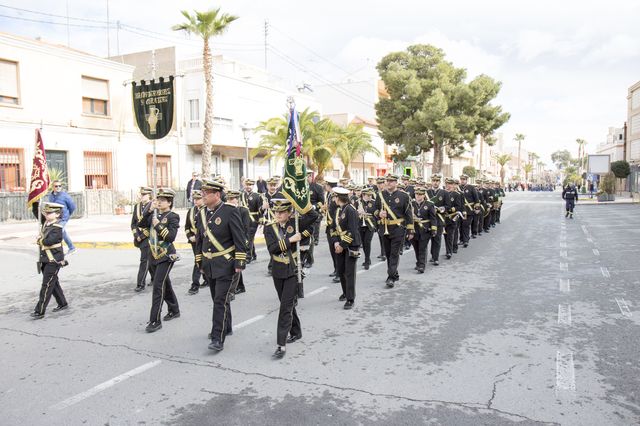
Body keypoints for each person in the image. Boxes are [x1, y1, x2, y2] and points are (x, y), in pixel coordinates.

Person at [195, 179, 247, 352]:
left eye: (206, 193)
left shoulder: (230, 211)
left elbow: (239, 238)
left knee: (219, 301)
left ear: (216, 195)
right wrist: (199, 262)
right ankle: (227, 326)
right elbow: (200, 240)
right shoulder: (201, 213)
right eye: (202, 192)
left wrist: (239, 261)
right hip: (209, 264)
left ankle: (218, 337)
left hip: (225, 263)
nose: (202, 195)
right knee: (218, 299)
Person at [263, 199, 318, 359]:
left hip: (293, 270)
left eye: (282, 212)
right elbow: (272, 249)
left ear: (289, 212)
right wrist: (290, 240)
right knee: (286, 304)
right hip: (278, 270)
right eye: (276, 212)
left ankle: (281, 344)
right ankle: (296, 331)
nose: (278, 215)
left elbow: (313, 215)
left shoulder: (296, 223)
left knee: (285, 307)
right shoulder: (269, 228)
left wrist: (299, 199)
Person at [144, 188, 181, 333]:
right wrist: (149, 210)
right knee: (165, 282)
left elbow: (171, 237)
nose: (159, 202)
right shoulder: (153, 214)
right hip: (152, 254)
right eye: (158, 199)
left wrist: (158, 225)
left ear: (169, 202)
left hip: (166, 255)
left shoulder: (173, 216)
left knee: (158, 285)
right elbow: (141, 224)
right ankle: (174, 309)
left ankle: (155, 320)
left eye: (163, 200)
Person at [31, 202, 69, 319]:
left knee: (46, 285)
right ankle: (62, 303)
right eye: (46, 212)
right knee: (53, 283)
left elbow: (49, 241)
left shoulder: (57, 228)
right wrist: (35, 202)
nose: (46, 214)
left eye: (49, 213)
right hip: (45, 259)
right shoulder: (46, 224)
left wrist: (39, 240)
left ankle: (40, 310)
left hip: (53, 260)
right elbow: (37, 213)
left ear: (57, 214)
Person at [375, 174, 414, 287]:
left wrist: (410, 230)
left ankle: (390, 276)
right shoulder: (380, 195)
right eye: (387, 181)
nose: (389, 183)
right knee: (388, 253)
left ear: (396, 182)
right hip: (385, 228)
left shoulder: (404, 196)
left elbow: (408, 214)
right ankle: (394, 273)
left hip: (398, 229)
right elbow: (375, 210)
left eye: (391, 181)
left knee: (394, 253)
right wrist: (379, 213)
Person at [331, 187, 361, 308]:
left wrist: (342, 245)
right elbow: (332, 228)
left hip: (350, 245)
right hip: (340, 244)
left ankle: (350, 299)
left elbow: (352, 231)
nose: (334, 199)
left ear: (339, 198)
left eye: (335, 197)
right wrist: (335, 243)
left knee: (349, 272)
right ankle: (345, 292)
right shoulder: (339, 210)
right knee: (341, 270)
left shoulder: (351, 210)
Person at [226, 190, 250, 295]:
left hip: (239, 241)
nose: (230, 201)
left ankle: (231, 291)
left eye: (233, 199)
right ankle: (240, 286)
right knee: (235, 266)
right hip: (229, 243)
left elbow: (245, 228)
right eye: (229, 199)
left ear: (238, 200)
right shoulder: (225, 210)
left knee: (236, 265)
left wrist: (244, 242)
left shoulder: (243, 210)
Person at [131, 187, 154, 292]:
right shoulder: (137, 206)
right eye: (141, 194)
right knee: (149, 259)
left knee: (144, 260)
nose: (142, 196)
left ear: (149, 195)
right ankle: (154, 278)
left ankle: (140, 283)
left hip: (148, 238)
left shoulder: (152, 206)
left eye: (144, 194)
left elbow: (152, 225)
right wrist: (137, 235)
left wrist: (143, 235)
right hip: (139, 237)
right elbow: (133, 223)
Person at [47, 180, 77, 255]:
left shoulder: (65, 196)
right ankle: (63, 249)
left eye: (60, 186)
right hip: (55, 218)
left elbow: (72, 206)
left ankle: (72, 248)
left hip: (63, 218)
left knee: (59, 231)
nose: (58, 187)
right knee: (61, 232)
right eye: (56, 186)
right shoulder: (51, 195)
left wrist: (67, 214)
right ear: (53, 187)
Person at [411, 187, 436, 273]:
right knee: (416, 247)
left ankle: (422, 265)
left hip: (425, 229)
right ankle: (418, 262)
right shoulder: (411, 204)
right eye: (417, 194)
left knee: (422, 247)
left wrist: (433, 229)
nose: (418, 196)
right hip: (414, 229)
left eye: (420, 194)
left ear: (424, 195)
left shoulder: (429, 204)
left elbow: (433, 218)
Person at [185, 190, 205, 295]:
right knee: (199, 260)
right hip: (194, 241)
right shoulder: (191, 211)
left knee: (200, 260)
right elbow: (187, 227)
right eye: (195, 199)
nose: (196, 201)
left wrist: (198, 237)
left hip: (204, 240)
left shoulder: (207, 210)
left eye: (198, 199)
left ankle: (196, 284)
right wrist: (190, 236)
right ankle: (199, 282)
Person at [427, 174, 449, 266]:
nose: (435, 183)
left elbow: (448, 206)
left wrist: (442, 208)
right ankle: (430, 256)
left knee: (437, 239)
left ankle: (435, 258)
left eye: (437, 181)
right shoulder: (426, 192)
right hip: (428, 220)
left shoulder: (444, 193)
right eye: (433, 181)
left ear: (439, 182)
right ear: (431, 181)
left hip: (439, 219)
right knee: (427, 239)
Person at [240, 179, 262, 263]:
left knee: (249, 237)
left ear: (253, 186)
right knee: (248, 237)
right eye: (247, 184)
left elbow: (260, 208)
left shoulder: (257, 196)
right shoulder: (241, 195)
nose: (248, 186)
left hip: (253, 219)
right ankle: (254, 254)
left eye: (250, 185)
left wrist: (260, 219)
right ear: (244, 185)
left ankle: (248, 256)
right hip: (244, 219)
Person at [357, 188, 377, 270]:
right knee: (363, 243)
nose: (370, 196)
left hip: (370, 226)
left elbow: (376, 215)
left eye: (371, 195)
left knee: (367, 242)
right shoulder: (358, 203)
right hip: (360, 225)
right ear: (363, 195)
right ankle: (367, 258)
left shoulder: (374, 203)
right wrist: (358, 213)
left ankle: (367, 260)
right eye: (368, 195)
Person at [444, 178, 464, 259]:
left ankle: (449, 251)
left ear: (453, 185)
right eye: (447, 184)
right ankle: (448, 250)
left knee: (450, 235)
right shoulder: (443, 193)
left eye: (450, 184)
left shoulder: (456, 194)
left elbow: (459, 206)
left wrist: (450, 209)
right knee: (445, 235)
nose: (448, 186)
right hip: (443, 218)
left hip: (452, 216)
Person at [458, 174, 479, 247]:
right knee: (460, 225)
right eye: (461, 179)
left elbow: (476, 199)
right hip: (460, 209)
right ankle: (461, 239)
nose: (462, 180)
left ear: (467, 180)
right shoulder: (458, 187)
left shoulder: (471, 188)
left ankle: (466, 240)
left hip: (469, 210)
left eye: (464, 179)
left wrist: (476, 208)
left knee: (466, 225)